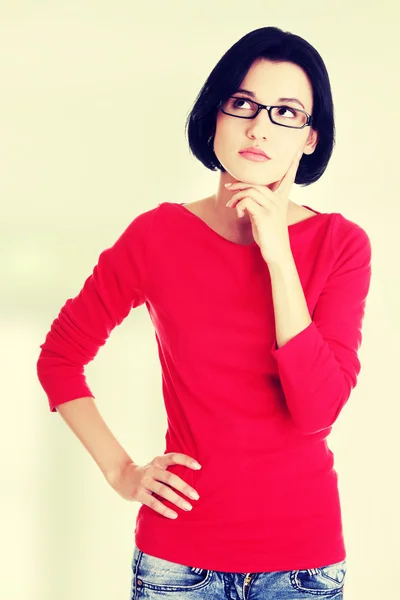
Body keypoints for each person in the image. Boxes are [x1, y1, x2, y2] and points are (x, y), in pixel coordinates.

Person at [37, 25, 372, 599]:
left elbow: (318, 410)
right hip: (178, 564)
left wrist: (278, 255)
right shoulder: (157, 237)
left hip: (302, 567)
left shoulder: (342, 246)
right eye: (242, 103)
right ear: (214, 117)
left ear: (311, 138)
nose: (260, 125)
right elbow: (60, 359)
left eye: (286, 112)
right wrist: (123, 473)